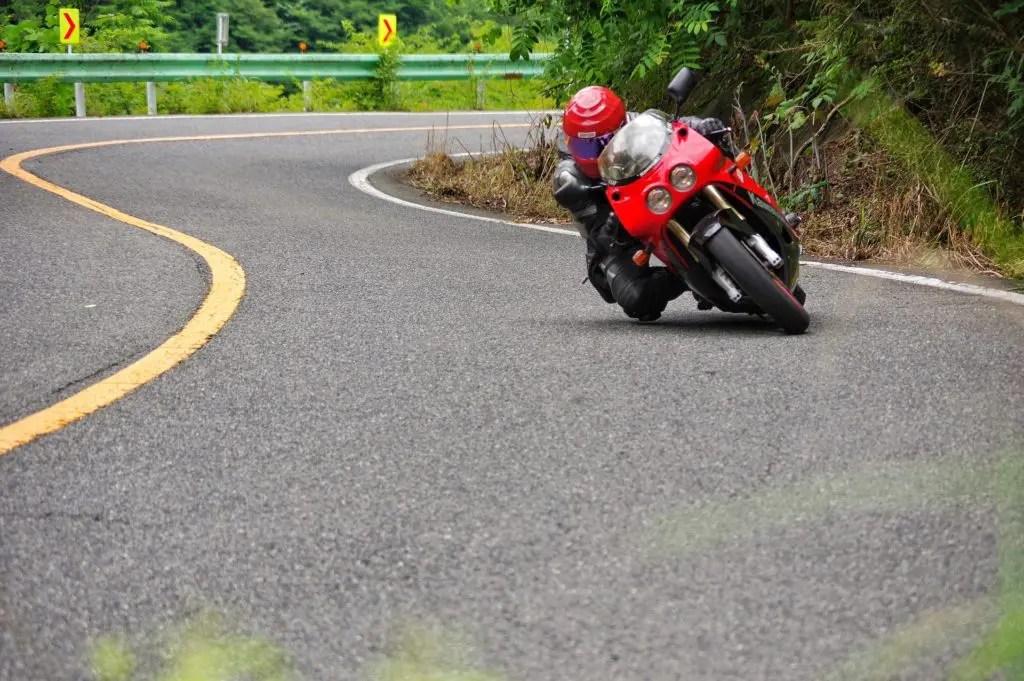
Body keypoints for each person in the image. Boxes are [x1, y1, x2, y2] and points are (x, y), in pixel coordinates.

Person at [551, 85, 733, 322]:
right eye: (586, 147)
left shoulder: (637, 124)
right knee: (635, 297)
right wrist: (607, 230)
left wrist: (700, 126)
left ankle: (762, 211)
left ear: (620, 127)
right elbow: (591, 225)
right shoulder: (570, 169)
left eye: (605, 142)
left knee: (719, 155)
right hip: (612, 229)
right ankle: (687, 277)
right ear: (570, 141)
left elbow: (674, 128)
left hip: (656, 191)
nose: (597, 153)